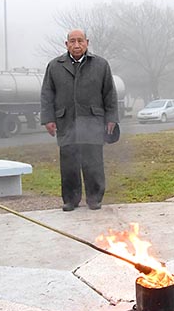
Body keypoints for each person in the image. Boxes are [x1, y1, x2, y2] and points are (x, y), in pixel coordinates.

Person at [40, 29, 119, 211]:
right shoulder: (54, 66)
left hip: (93, 121)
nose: (76, 45)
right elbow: (46, 94)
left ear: (87, 42)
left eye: (80, 41)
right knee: (69, 163)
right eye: (72, 41)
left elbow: (110, 94)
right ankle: (70, 200)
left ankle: (94, 198)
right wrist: (48, 119)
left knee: (93, 162)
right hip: (65, 122)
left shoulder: (101, 65)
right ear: (66, 44)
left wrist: (111, 118)